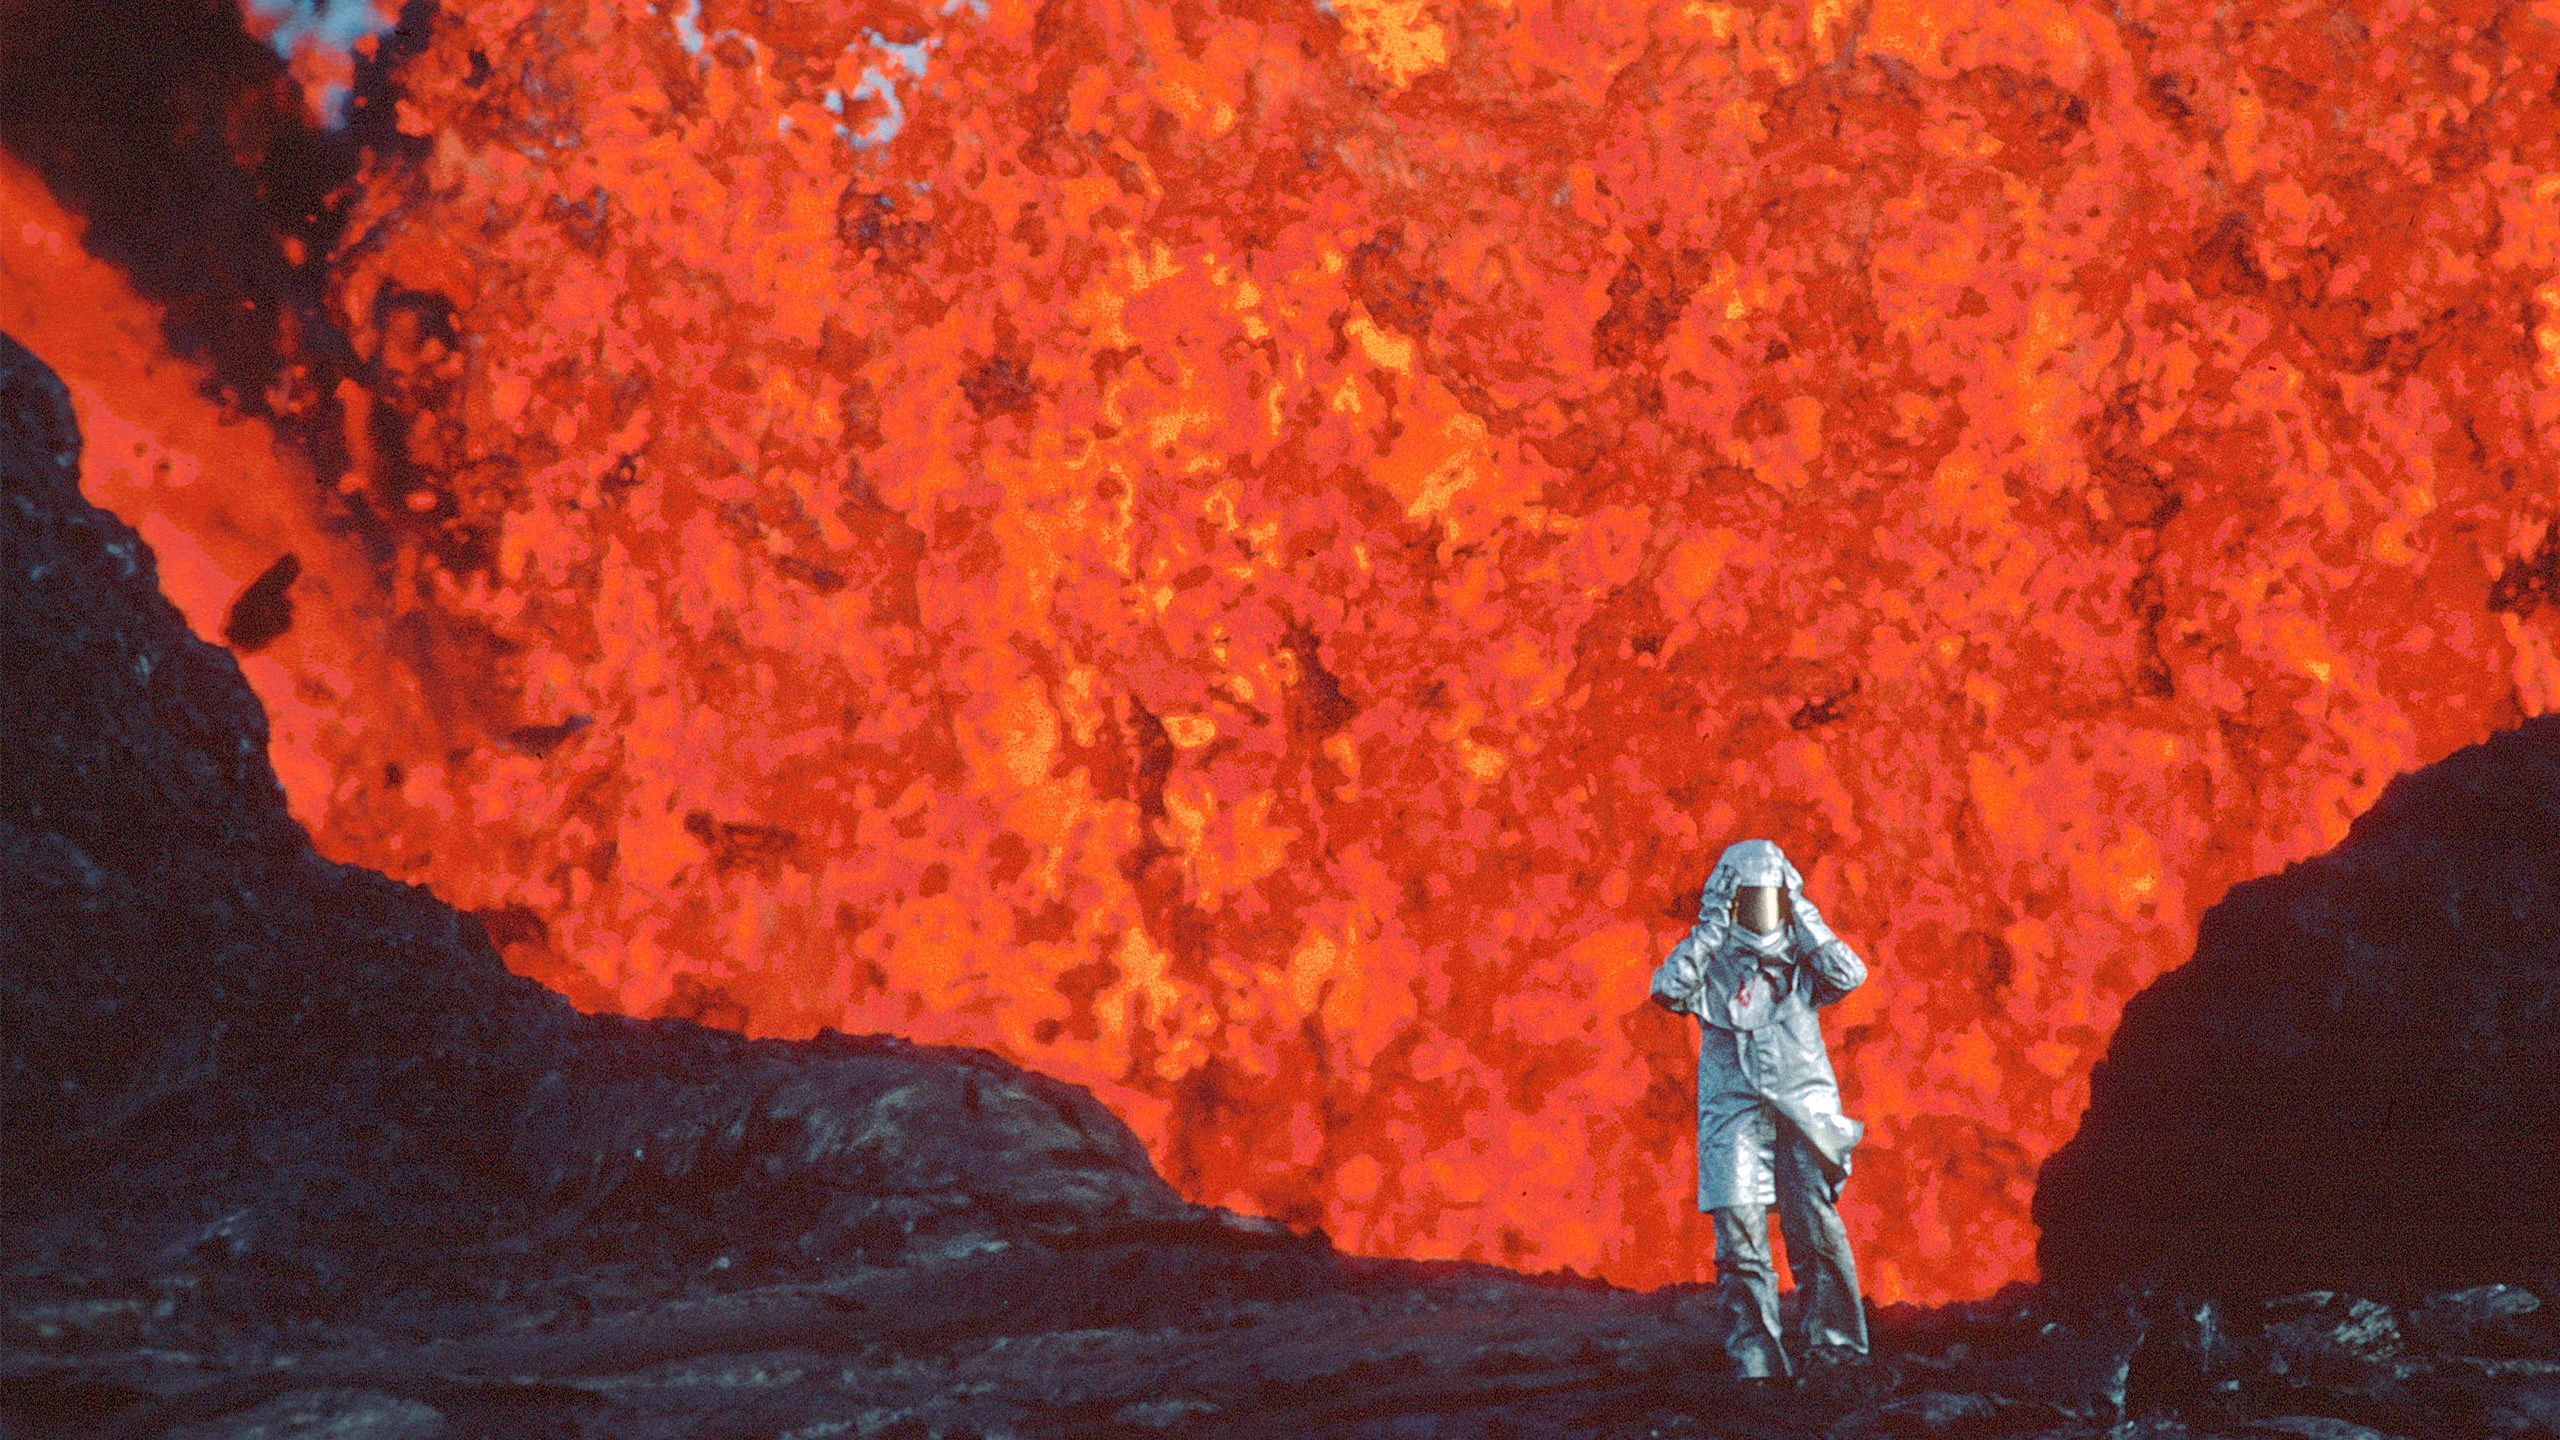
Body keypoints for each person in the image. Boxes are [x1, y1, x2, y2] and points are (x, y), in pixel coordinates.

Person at [1649, 837, 1870, 1381]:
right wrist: (1711, 930)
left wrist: (1804, 915)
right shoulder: (1712, 958)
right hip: (1734, 1106)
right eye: (1748, 897)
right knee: (1739, 1231)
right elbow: (1667, 989)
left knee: (1814, 1227)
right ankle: (1756, 1361)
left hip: (1802, 1102)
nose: (1759, 908)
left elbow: (1849, 974)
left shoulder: (1803, 954)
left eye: (1768, 896)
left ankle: (1836, 1349)